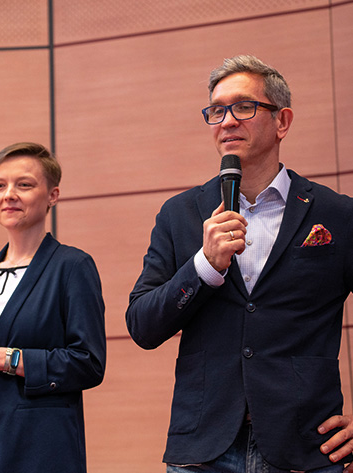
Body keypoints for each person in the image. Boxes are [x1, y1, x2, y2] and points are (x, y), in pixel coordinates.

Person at [126, 55, 353, 473]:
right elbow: (142, 325)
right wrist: (204, 266)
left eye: (244, 107)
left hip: (306, 445)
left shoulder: (337, 214)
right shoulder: (179, 214)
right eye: (216, 111)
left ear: (282, 121)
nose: (227, 121)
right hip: (203, 448)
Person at [0, 142, 106, 473]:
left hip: (36, 451)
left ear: (53, 195)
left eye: (24, 185)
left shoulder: (72, 267)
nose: (9, 195)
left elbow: (88, 364)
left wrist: (5, 358)